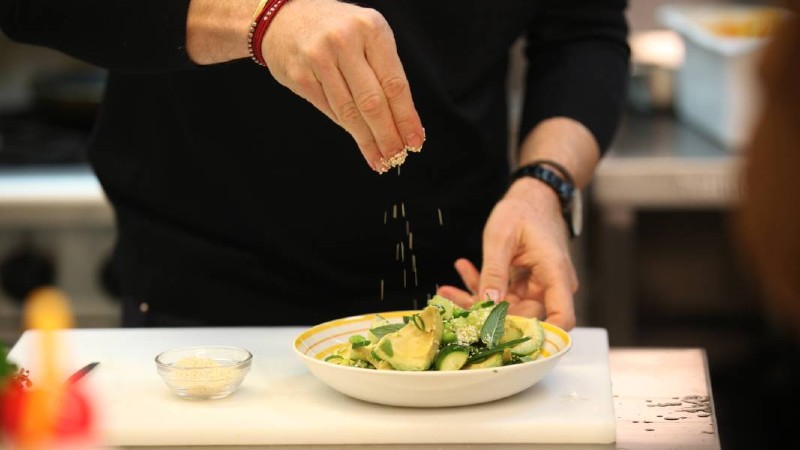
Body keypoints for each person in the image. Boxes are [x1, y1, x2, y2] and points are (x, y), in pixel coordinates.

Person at [0, 0, 630, 328]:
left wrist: (543, 184)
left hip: (457, 296)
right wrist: (258, 20)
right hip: (204, 304)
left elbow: (582, 31)